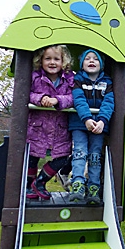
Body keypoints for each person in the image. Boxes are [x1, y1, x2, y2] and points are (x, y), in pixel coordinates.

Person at [26, 45, 74, 200]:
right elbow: (26, 93)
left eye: (56, 59)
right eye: (48, 58)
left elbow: (74, 97)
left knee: (63, 157)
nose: (52, 62)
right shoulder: (35, 77)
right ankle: (29, 187)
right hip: (37, 125)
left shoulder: (69, 78)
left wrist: (57, 100)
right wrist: (40, 99)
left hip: (60, 127)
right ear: (41, 60)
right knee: (32, 156)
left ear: (63, 61)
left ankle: (40, 182)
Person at [68, 49, 115, 205]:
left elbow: (108, 103)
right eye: (87, 58)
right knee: (80, 151)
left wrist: (102, 121)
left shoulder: (107, 82)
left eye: (95, 59)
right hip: (80, 123)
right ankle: (78, 183)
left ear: (101, 65)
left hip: (99, 126)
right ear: (82, 64)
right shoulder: (78, 80)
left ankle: (94, 186)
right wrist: (87, 119)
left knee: (95, 154)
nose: (91, 61)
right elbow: (78, 100)